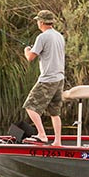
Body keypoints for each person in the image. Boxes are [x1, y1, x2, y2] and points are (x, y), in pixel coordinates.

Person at [22, 9, 66, 147]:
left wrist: (26, 50)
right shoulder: (59, 36)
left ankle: (42, 135)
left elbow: (30, 57)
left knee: (29, 106)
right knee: (55, 112)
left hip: (48, 79)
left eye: (37, 21)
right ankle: (57, 141)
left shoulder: (42, 37)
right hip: (59, 78)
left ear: (41, 22)